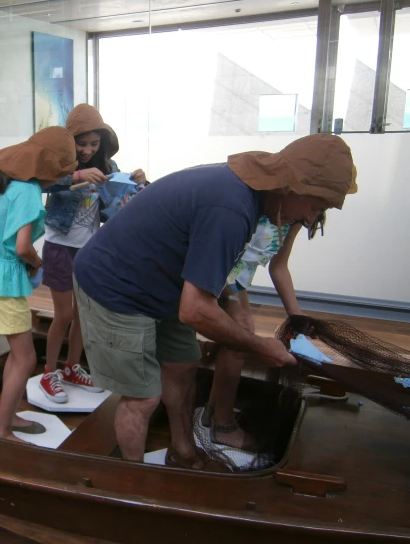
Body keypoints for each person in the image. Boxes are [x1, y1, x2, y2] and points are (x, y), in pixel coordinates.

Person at [72, 134, 357, 468]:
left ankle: (184, 452)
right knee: (144, 398)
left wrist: (244, 319)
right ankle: (135, 485)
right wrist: (259, 345)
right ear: (292, 187)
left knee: (184, 365)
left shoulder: (249, 198)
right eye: (316, 207)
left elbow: (204, 282)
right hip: (114, 286)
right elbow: (194, 310)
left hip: (162, 284)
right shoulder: (232, 207)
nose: (311, 219)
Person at [0, 126, 78, 441]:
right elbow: (22, 247)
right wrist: (37, 262)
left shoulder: (4, 183)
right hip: (6, 280)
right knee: (27, 358)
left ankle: (9, 415)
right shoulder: (28, 191)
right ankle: (3, 429)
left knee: (18, 355)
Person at [40, 104, 147, 403]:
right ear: (69, 140)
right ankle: (50, 372)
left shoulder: (109, 168)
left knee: (83, 315)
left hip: (90, 250)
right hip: (59, 246)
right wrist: (76, 175)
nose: (87, 150)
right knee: (62, 315)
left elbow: (118, 203)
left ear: (103, 143)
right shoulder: (61, 164)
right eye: (81, 143)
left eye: (94, 144)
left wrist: (138, 181)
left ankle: (72, 367)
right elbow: (42, 183)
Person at [203, 212, 335, 450]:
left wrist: (298, 318)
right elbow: (218, 252)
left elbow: (279, 267)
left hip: (236, 278)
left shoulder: (300, 215)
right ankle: (222, 425)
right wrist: (232, 300)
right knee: (241, 336)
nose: (314, 213)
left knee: (242, 331)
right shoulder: (256, 203)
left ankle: (211, 411)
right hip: (212, 269)